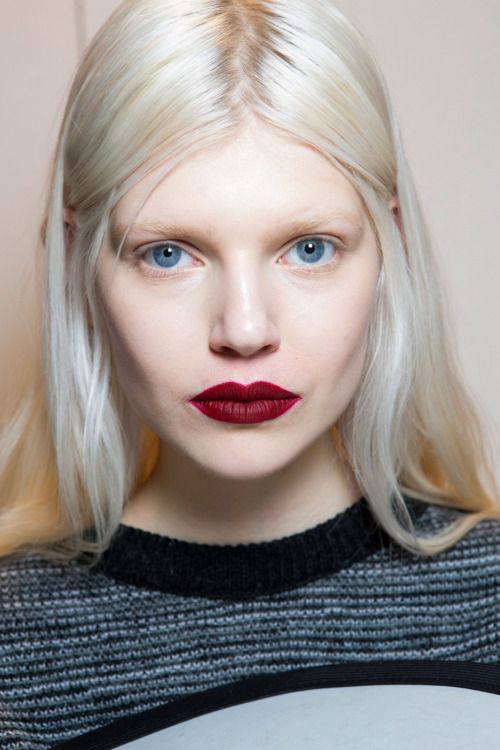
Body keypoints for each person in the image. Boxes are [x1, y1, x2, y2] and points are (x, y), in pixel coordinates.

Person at [1, 0, 499, 747]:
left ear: (390, 247)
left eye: (308, 249)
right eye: (168, 253)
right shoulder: (13, 653)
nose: (243, 330)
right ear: (75, 262)